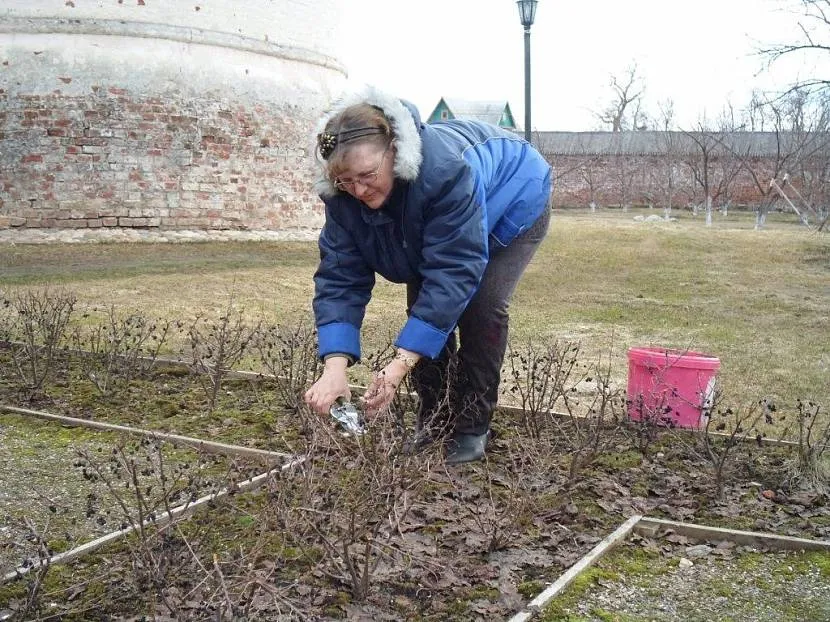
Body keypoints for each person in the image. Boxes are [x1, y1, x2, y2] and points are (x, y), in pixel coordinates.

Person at [303, 86, 552, 464]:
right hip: (443, 216)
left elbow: (453, 273)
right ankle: (434, 419)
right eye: (345, 180)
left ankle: (471, 426)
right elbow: (340, 278)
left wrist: (398, 367)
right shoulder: (345, 198)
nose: (357, 189)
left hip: (514, 198)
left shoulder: (445, 174)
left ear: (396, 153)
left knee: (480, 305)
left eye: (367, 175)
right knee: (425, 310)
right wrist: (334, 367)